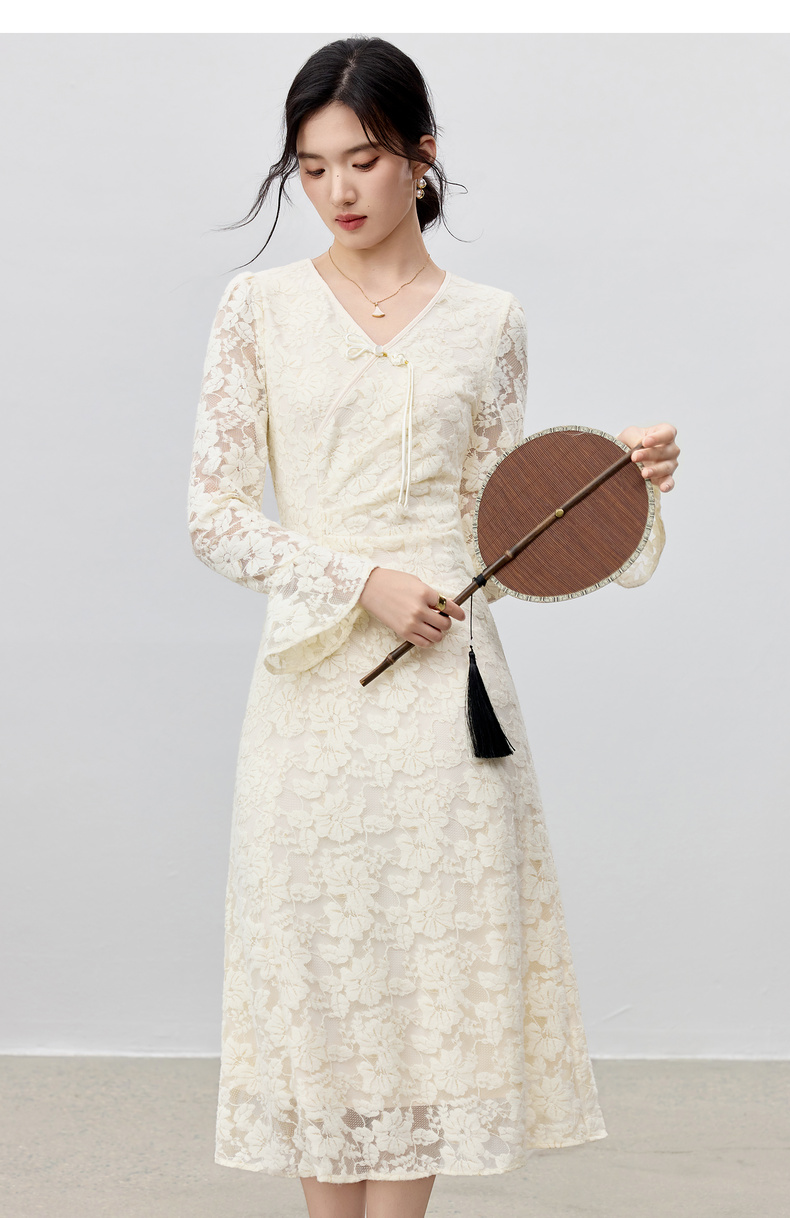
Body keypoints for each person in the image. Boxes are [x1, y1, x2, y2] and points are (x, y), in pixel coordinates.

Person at [186, 35, 680, 1218]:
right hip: (313, 691)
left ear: (421, 155)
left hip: (446, 698)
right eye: (311, 169)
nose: (337, 191)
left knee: (428, 975)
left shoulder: (490, 322)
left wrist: (603, 486)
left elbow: (485, 538)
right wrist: (362, 581)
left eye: (361, 160)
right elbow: (213, 516)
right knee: (322, 974)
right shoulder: (258, 307)